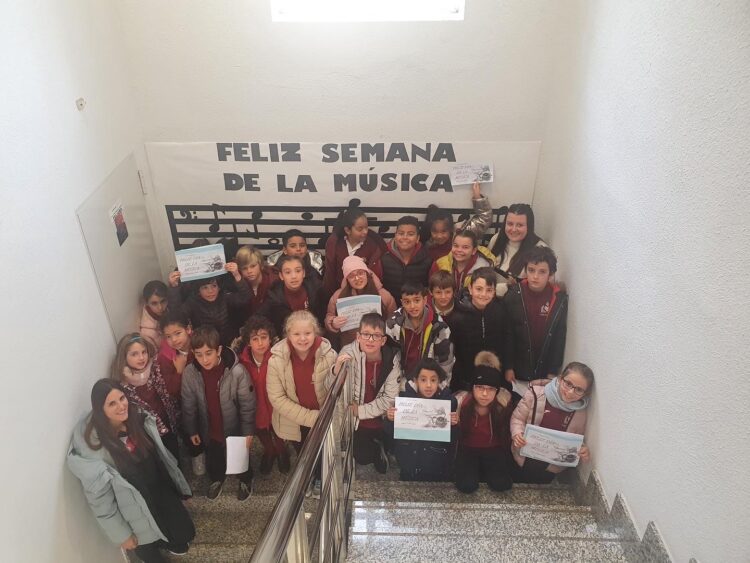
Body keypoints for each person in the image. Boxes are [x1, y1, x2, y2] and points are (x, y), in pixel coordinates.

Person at [67, 379, 194, 562]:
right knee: (149, 552)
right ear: (100, 409)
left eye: (122, 398)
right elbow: (100, 500)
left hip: (157, 491)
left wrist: (180, 488)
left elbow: (161, 459)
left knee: (183, 533)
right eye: (112, 403)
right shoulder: (96, 449)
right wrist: (121, 535)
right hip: (134, 507)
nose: (121, 406)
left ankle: (167, 539)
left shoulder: (137, 420)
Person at [266, 311, 337, 497]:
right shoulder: (276, 360)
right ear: (288, 334)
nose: (303, 338)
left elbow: (336, 388)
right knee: (304, 453)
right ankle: (308, 476)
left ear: (316, 333)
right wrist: (312, 418)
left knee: (322, 451)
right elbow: (277, 398)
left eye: (307, 333)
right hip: (296, 420)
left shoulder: (329, 355)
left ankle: (321, 477)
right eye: (296, 334)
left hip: (323, 417)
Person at [181, 325, 256, 501]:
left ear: (219, 350)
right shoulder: (190, 374)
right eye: (198, 354)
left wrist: (248, 432)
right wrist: (192, 430)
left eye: (209, 353)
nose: (204, 359)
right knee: (214, 458)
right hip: (209, 427)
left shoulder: (236, 372)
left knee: (240, 457)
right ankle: (217, 479)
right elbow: (188, 405)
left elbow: (247, 405)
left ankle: (244, 479)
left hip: (234, 426)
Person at [331, 313, 401, 473]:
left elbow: (390, 398)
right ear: (358, 336)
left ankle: (382, 445)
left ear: (383, 340)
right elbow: (332, 390)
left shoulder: (391, 360)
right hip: (357, 421)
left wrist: (360, 410)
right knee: (362, 457)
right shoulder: (347, 353)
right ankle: (376, 447)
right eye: (366, 334)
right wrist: (335, 372)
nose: (370, 340)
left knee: (394, 445)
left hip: (381, 416)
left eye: (376, 336)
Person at [510, 362, 593, 484]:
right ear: (560, 379)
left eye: (579, 389)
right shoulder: (536, 394)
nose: (570, 392)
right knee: (517, 481)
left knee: (542, 486)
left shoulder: (580, 412)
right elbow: (518, 419)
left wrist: (581, 449)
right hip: (524, 456)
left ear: (585, 393)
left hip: (550, 466)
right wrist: (517, 434)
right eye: (568, 383)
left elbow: (576, 438)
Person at [503, 247, 568, 395]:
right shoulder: (514, 295)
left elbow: (559, 336)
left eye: (542, 272)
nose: (535, 276)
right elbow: (507, 334)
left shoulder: (558, 299)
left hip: (543, 369)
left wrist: (553, 369)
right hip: (516, 369)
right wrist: (508, 366)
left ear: (551, 273)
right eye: (531, 270)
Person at [234, 315, 290, 475]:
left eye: (264, 337)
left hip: (276, 407)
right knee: (262, 432)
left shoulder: (279, 357)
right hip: (256, 408)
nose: (260, 343)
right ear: (248, 342)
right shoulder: (241, 362)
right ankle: (270, 451)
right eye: (255, 339)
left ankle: (281, 451)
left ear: (270, 338)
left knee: (279, 431)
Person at [386, 359, 458, 481]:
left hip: (438, 471)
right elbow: (390, 437)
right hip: (409, 469)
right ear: (416, 381)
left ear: (439, 381)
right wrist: (390, 420)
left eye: (433, 380)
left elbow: (453, 441)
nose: (428, 385)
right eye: (423, 380)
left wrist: (455, 425)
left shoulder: (448, 404)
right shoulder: (405, 402)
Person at [112, 334, 180, 460]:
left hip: (166, 418)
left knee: (173, 449)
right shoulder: (123, 384)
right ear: (124, 357)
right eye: (134, 354)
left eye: (144, 352)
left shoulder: (154, 367)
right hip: (147, 430)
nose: (141, 357)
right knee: (160, 457)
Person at [454, 355, 513, 494]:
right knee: (466, 486)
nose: (485, 394)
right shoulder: (461, 403)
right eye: (480, 387)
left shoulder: (502, 406)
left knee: (501, 485)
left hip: (493, 449)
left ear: (497, 391)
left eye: (491, 389)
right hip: (468, 448)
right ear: (472, 388)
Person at [449, 267, 508, 392]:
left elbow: (507, 341)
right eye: (479, 289)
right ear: (470, 289)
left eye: (489, 290)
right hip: (466, 376)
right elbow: (455, 351)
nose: (483, 294)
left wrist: (508, 368)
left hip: (494, 374)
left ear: (494, 291)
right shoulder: (457, 317)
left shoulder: (501, 311)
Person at [167, 263, 251, 347]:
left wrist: (236, 275)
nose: (210, 291)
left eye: (214, 286)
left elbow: (245, 298)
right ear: (198, 290)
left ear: (219, 287)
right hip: (205, 346)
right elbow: (177, 314)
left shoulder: (224, 297)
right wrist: (174, 287)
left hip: (228, 343)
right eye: (205, 287)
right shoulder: (193, 302)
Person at [385, 282, 454, 382]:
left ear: (425, 300)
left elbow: (445, 363)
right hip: (400, 379)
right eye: (407, 302)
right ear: (402, 302)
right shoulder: (393, 324)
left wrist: (437, 388)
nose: (412, 306)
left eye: (417, 300)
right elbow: (388, 359)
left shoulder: (439, 327)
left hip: (428, 381)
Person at [325, 255, 397, 347]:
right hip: (349, 346)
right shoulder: (338, 296)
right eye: (351, 275)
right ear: (347, 279)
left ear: (367, 274)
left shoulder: (384, 295)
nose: (357, 278)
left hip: (376, 345)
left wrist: (383, 327)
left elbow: (394, 318)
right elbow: (329, 316)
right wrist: (333, 323)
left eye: (360, 273)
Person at [487, 203, 550, 297]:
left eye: (520, 225)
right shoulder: (496, 239)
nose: (513, 229)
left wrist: (497, 290)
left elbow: (539, 288)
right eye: (510, 224)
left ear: (529, 226)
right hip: (488, 298)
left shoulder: (540, 249)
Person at [256, 254, 326, 339]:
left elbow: (325, 317)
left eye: (298, 271)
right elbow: (259, 318)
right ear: (281, 276)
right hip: (285, 341)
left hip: (314, 338)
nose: (294, 276)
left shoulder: (316, 290)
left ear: (303, 273)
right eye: (288, 272)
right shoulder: (274, 296)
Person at [323, 207, 387, 298]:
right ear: (347, 230)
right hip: (340, 296)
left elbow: (375, 276)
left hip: (365, 296)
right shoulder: (336, 245)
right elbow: (330, 274)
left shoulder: (372, 246)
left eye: (366, 227)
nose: (365, 232)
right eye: (360, 229)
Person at [422, 182, 493, 261]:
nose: (439, 236)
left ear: (451, 229)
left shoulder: (463, 234)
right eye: (435, 232)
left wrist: (477, 197)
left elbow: (485, 218)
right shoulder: (427, 246)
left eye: (444, 231)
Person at [380, 215, 433, 305]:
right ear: (395, 235)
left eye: (410, 234)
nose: (405, 237)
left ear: (418, 238)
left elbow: (431, 290)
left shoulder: (428, 260)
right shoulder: (384, 258)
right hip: (391, 311)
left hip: (417, 311)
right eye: (401, 233)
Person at [430, 229, 495, 290]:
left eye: (465, 247)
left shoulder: (484, 268)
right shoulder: (440, 264)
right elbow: (432, 290)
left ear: (474, 250)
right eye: (456, 246)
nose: (459, 250)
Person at [157, 310, 193, 402]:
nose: (174, 340)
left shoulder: (199, 341)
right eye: (168, 336)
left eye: (177, 333)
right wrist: (179, 372)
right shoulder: (165, 357)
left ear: (188, 329)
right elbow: (171, 390)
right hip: (185, 399)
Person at [235, 245, 275, 312]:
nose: (249, 271)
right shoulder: (238, 284)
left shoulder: (272, 281)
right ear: (240, 270)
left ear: (260, 264)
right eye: (244, 268)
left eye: (253, 266)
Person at [139, 280, 169, 348]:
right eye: (154, 303)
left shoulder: (170, 310)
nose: (160, 307)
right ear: (146, 303)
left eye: (163, 301)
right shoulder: (147, 333)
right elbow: (155, 357)